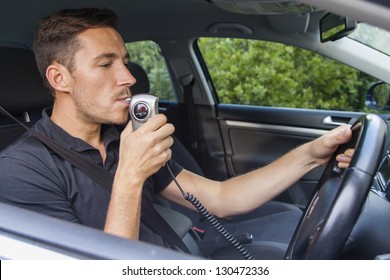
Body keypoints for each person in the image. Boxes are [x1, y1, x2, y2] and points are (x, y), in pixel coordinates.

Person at [0, 8, 353, 259]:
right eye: (106, 64)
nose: (128, 78)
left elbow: (221, 199)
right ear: (59, 78)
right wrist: (130, 176)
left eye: (124, 61)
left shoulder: (122, 138)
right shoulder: (22, 170)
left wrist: (311, 155)